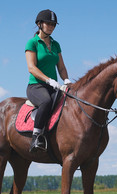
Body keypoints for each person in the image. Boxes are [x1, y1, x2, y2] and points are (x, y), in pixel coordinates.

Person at [25, 9, 71, 153]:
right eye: (48, 23)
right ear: (40, 24)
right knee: (46, 101)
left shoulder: (56, 44)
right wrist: (49, 80)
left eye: (53, 24)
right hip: (36, 86)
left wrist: (66, 80)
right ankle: (36, 137)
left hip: (54, 86)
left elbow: (61, 67)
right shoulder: (32, 43)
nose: (51, 26)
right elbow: (31, 68)